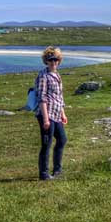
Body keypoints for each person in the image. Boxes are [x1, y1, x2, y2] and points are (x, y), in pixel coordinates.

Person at [35, 46, 68, 180]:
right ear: (46, 61)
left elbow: (59, 97)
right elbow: (42, 98)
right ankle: (44, 174)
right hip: (46, 114)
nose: (53, 62)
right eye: (50, 59)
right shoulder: (43, 76)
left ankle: (58, 170)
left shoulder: (57, 75)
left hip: (57, 113)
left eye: (56, 59)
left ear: (59, 61)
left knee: (62, 139)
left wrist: (63, 113)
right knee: (46, 144)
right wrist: (46, 119)